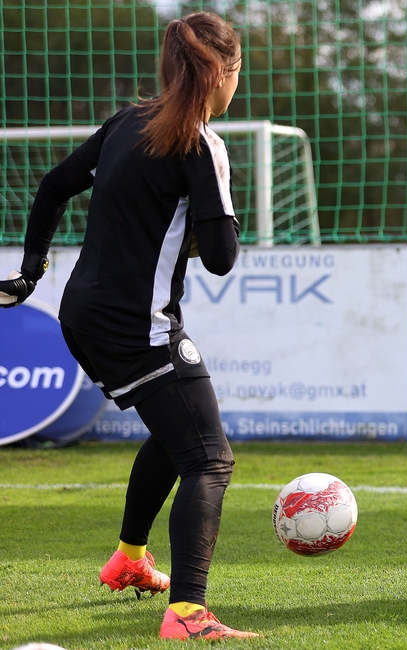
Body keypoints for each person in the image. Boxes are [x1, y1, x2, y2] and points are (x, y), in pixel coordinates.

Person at [0, 12, 259, 640]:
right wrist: (208, 216)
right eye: (238, 70)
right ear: (222, 71)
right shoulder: (202, 143)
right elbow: (223, 259)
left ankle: (130, 561)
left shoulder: (124, 123)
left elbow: (53, 186)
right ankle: (189, 614)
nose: (236, 84)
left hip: (80, 313)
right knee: (210, 459)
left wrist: (29, 271)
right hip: (134, 325)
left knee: (181, 433)